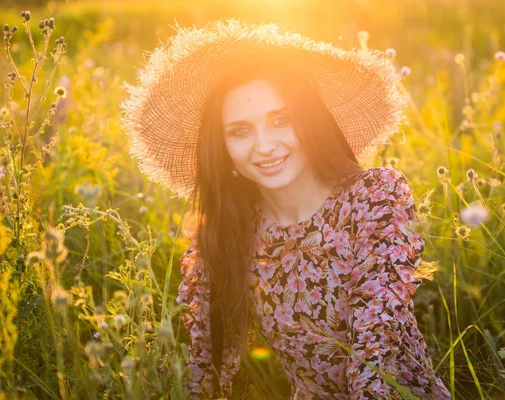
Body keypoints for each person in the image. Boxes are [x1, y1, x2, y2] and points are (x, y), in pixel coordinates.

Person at [122, 19, 450, 400]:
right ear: (223, 148)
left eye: (281, 120)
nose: (264, 146)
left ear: (309, 123)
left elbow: (376, 347)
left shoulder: (374, 198)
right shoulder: (229, 230)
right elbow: (202, 361)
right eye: (241, 131)